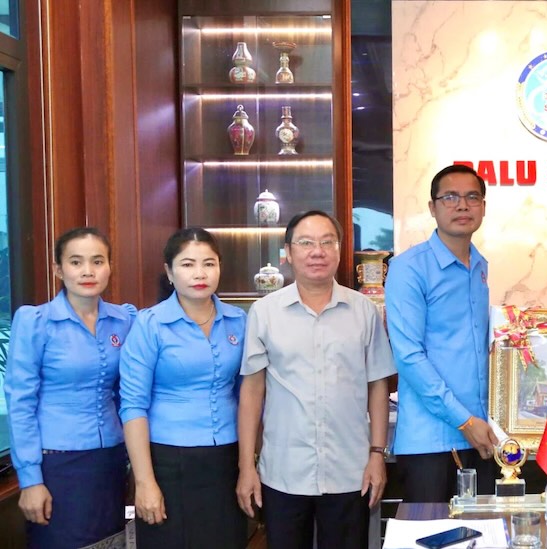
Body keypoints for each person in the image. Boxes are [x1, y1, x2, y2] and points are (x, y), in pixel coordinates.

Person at [236, 210, 395, 549]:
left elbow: (378, 385)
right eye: (306, 243)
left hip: (350, 471)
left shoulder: (364, 310)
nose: (317, 251)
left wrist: (377, 454)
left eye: (327, 242)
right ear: (288, 253)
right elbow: (252, 392)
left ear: (339, 251)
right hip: (283, 471)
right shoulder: (265, 312)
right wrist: (246, 466)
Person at [4, 227, 136, 548]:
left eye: (97, 261)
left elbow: (130, 392)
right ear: (58, 270)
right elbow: (20, 403)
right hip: (58, 465)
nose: (88, 271)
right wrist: (31, 479)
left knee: (116, 541)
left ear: (110, 266)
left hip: (113, 460)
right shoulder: (36, 322)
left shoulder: (125, 320)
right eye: (76, 262)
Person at [119, 228, 247, 548]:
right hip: (168, 461)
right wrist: (144, 481)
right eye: (188, 264)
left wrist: (249, 462)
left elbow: (248, 396)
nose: (200, 273)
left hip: (225, 461)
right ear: (169, 272)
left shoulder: (239, 321)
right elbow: (133, 404)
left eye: (209, 263)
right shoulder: (150, 324)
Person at [385, 164, 499, 503]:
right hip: (431, 442)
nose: (462, 205)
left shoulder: (479, 265)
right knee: (429, 536)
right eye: (450, 197)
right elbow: (409, 357)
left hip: (483, 437)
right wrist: (465, 421)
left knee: (485, 536)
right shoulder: (409, 269)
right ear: (432, 207)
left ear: (483, 206)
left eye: (472, 197)